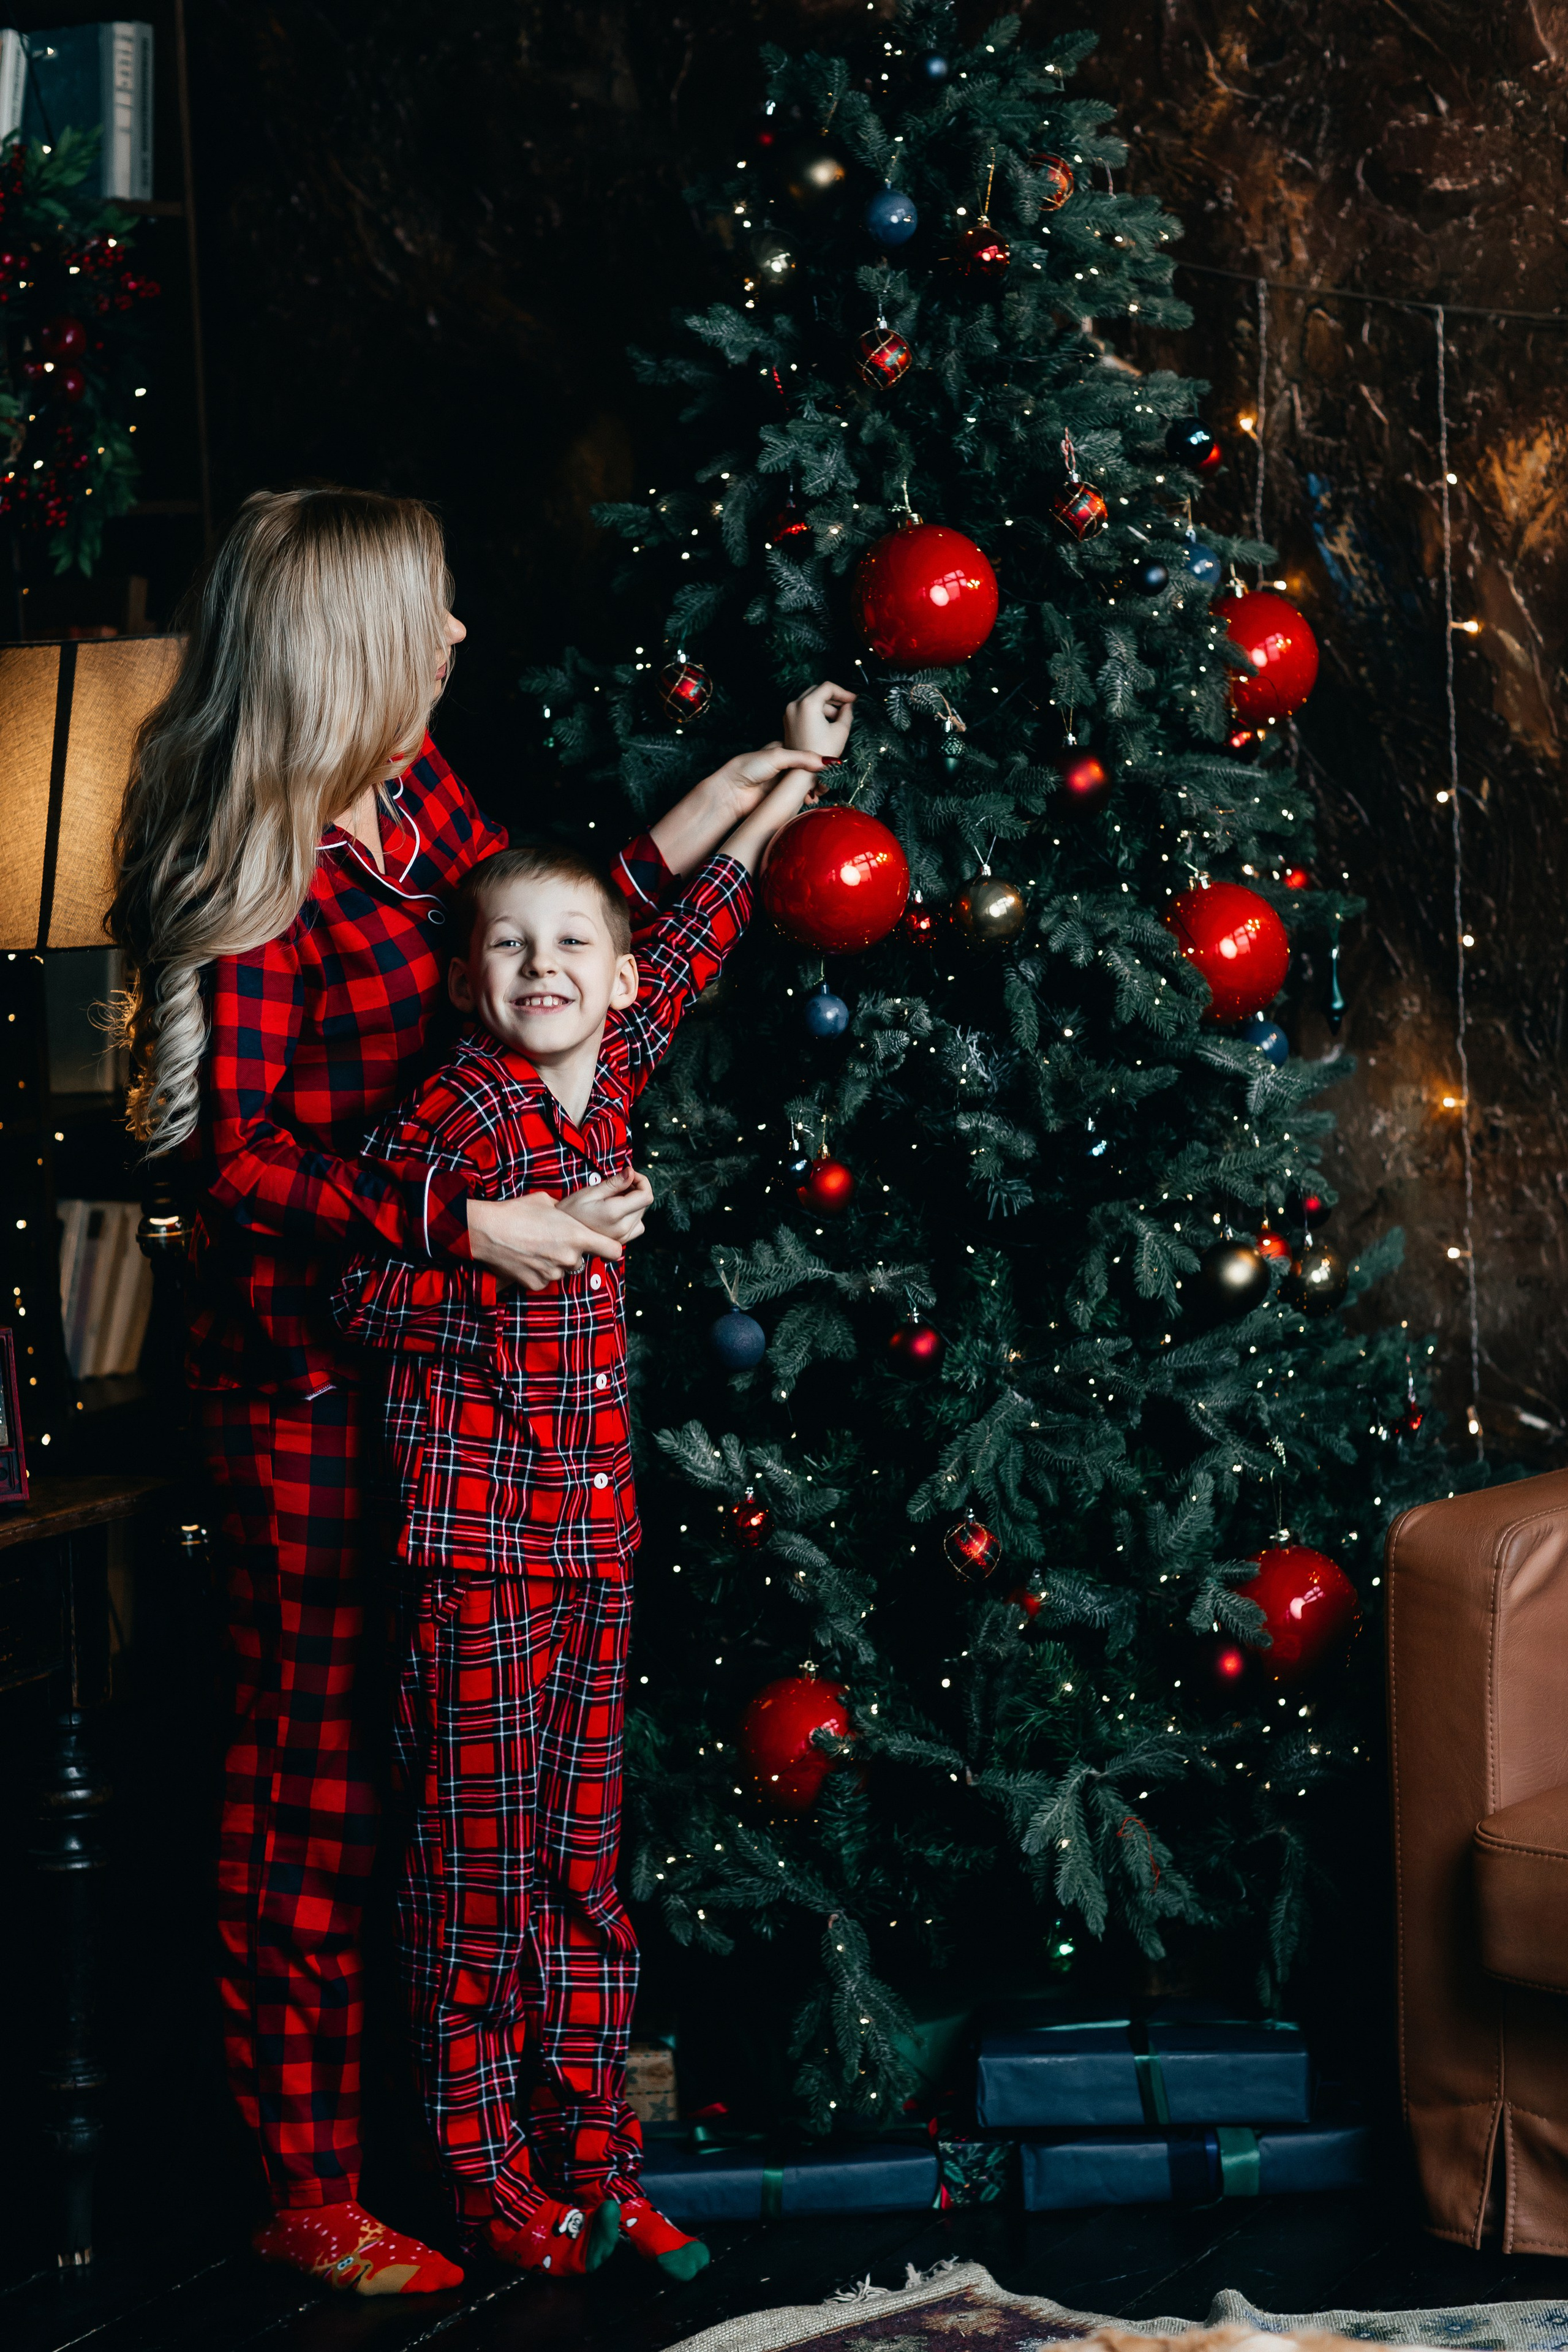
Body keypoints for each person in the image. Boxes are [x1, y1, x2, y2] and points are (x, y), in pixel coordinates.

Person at [108, 482, 842, 2296]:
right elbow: (231, 1166)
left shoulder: (425, 797)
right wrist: (461, 1219)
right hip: (306, 1397)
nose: (455, 641)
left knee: (485, 1806)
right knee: (318, 1792)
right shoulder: (245, 867)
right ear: (353, 646)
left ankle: (498, 2161)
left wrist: (756, 795)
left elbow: (558, 937)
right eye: (428, 617)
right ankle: (310, 2191)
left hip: (463, 1394)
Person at [328, 706, 852, 2280]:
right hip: (476, 1558)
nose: (541, 968)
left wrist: (787, 784)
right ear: (469, 979)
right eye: (508, 948)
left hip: (592, 1552)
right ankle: (488, 2175)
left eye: (571, 944)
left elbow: (691, 934)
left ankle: (596, 2156)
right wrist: (513, 1256)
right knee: (476, 1874)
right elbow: (345, 1304)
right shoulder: (452, 1122)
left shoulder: (613, 1064)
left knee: (580, 1864)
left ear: (609, 983)